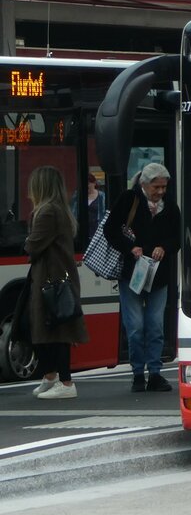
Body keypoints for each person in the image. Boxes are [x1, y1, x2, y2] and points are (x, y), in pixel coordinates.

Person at [106, 161, 180, 393]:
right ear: (145, 185)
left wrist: (164, 248)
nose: (160, 192)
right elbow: (110, 230)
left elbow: (177, 237)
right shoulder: (129, 200)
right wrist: (130, 247)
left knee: (155, 325)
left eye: (164, 187)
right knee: (135, 325)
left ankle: (155, 373)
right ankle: (138, 372)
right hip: (132, 273)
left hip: (158, 275)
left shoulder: (170, 207)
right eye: (156, 187)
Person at [24, 166, 89, 400]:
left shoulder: (47, 212)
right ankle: (51, 376)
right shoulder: (58, 209)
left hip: (52, 278)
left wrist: (28, 241)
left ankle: (65, 381)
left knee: (57, 329)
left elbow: (33, 245)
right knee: (50, 326)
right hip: (57, 277)